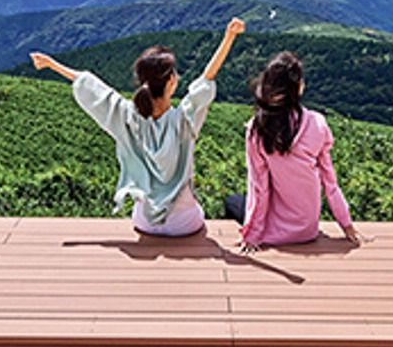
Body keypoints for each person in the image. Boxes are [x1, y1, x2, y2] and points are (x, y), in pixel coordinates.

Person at [30, 17, 244, 238]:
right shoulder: (185, 119)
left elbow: (92, 87)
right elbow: (207, 78)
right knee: (197, 210)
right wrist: (229, 37)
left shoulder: (127, 117)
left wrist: (51, 64)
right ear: (171, 80)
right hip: (184, 223)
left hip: (145, 222)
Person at [228, 50, 363, 252]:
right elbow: (330, 183)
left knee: (232, 202)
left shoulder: (258, 129)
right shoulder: (318, 123)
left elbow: (260, 188)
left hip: (272, 231)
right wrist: (347, 225)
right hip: (307, 230)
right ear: (298, 88)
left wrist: (252, 235)